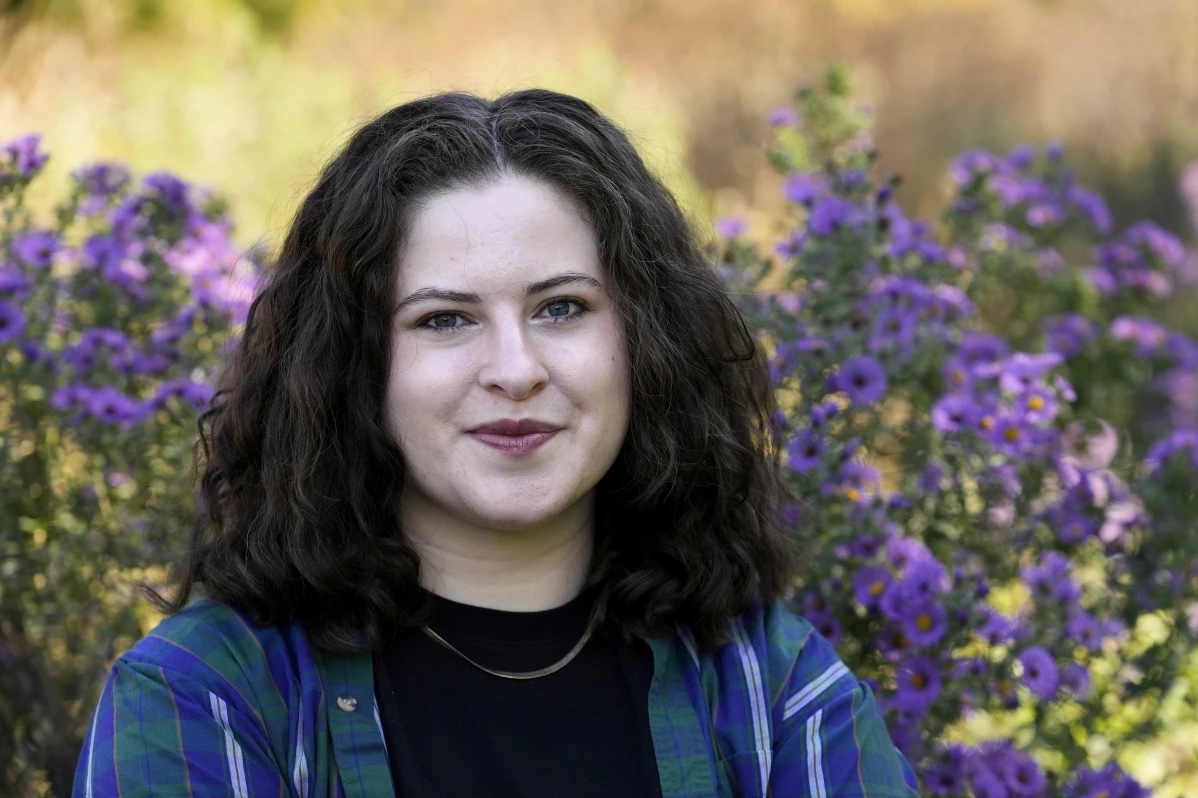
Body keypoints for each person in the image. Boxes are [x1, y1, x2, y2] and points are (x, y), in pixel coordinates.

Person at [72, 88, 920, 797]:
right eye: (445, 319)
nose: (515, 370)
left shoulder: (774, 693)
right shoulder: (203, 699)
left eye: (562, 308)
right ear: (353, 368)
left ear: (647, 343)